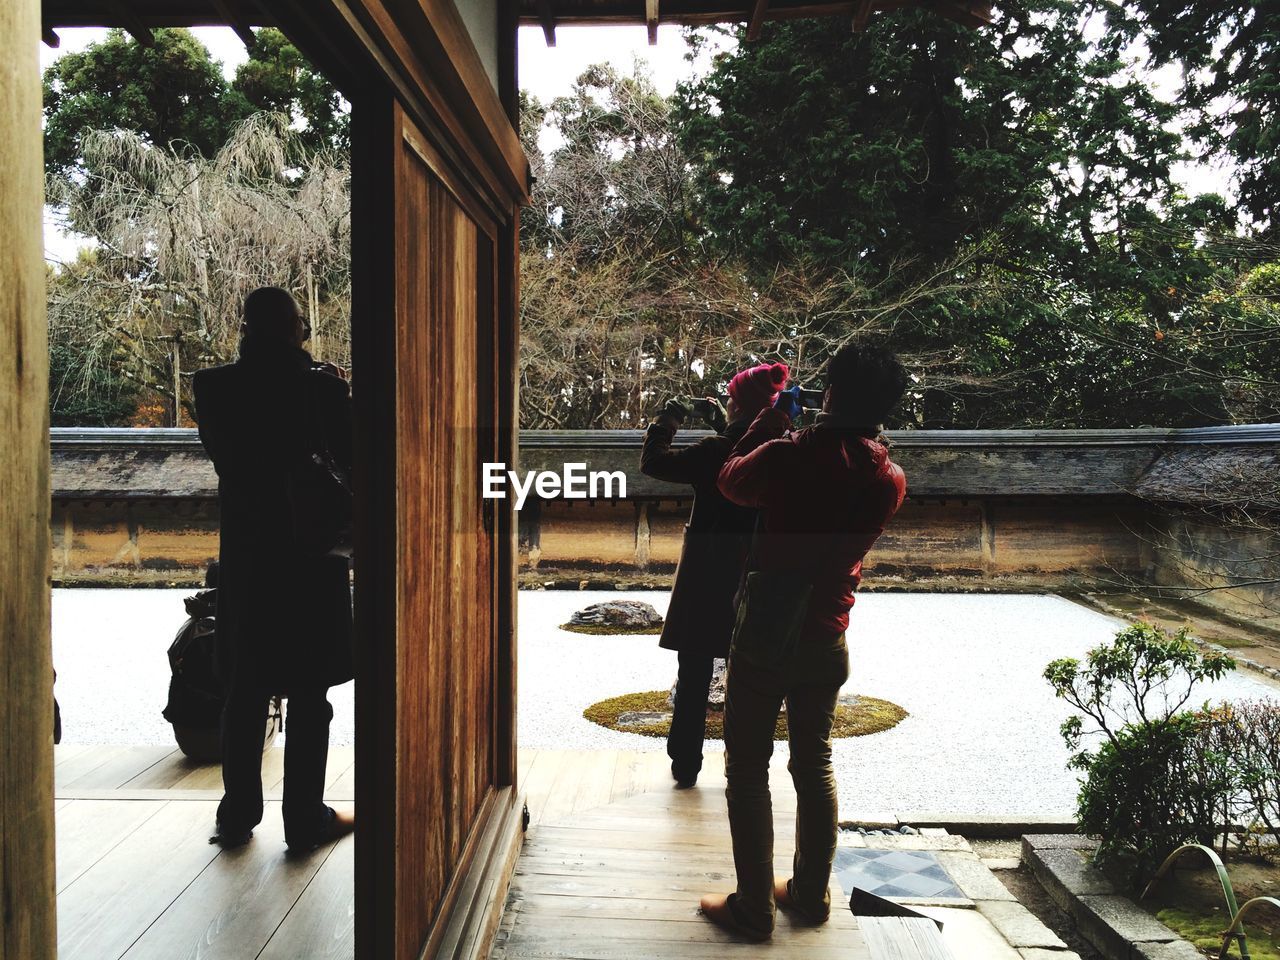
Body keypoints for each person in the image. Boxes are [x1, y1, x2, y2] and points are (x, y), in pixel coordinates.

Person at [699, 339, 909, 941]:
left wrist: (768, 423)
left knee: (746, 766)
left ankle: (752, 907)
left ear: (832, 393)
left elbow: (731, 483)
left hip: (767, 626)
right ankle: (810, 893)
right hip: (828, 629)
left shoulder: (790, 457)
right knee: (814, 760)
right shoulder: (889, 479)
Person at [193, 286, 355, 853]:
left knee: (244, 691)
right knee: (309, 694)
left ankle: (237, 814)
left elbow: (232, 459)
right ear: (295, 330)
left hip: (248, 557)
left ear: (246, 329)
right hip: (310, 559)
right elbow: (353, 464)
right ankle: (304, 817)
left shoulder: (213, 389)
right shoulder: (322, 392)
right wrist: (337, 390)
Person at [639, 362, 789, 788]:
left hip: (708, 570)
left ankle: (685, 764)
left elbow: (654, 462)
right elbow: (746, 439)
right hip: (758, 570)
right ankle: (745, 766)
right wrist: (724, 422)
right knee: (749, 674)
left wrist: (669, 417)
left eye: (729, 399)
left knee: (695, 672)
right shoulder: (781, 447)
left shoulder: (713, 451)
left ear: (736, 402)